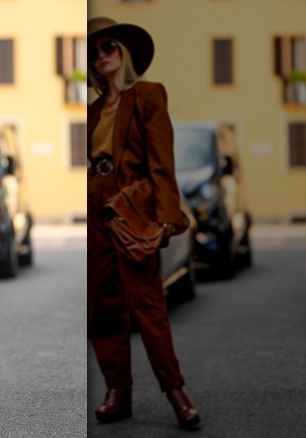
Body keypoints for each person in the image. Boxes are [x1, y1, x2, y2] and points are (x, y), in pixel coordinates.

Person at [86, 17, 200, 429]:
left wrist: (168, 219)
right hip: (95, 201)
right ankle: (118, 392)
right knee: (103, 306)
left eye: (108, 46)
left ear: (124, 51)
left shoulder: (149, 95)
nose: (101, 56)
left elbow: (161, 162)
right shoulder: (94, 109)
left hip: (129, 204)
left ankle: (175, 390)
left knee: (147, 302)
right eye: (94, 52)